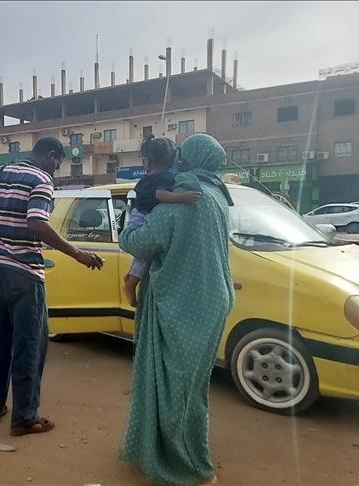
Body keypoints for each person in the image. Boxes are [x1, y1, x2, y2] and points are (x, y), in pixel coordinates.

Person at [119, 134, 235, 486]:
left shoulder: (183, 198)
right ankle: (157, 450)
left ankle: (189, 467)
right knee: (190, 387)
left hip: (181, 305)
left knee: (174, 389)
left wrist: (131, 218)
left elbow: (136, 242)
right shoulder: (218, 196)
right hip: (211, 300)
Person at [0, 137, 103, 436]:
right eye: (58, 163)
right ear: (51, 155)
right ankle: (24, 417)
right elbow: (37, 223)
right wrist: (78, 254)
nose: (56, 169)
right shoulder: (41, 179)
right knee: (29, 346)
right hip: (24, 274)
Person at [123, 135, 200, 307]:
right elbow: (160, 195)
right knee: (144, 255)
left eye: (143, 160)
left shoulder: (147, 179)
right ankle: (131, 283)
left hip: (137, 215)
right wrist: (182, 197)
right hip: (142, 217)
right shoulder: (165, 178)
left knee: (142, 256)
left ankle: (131, 278)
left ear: (149, 161)